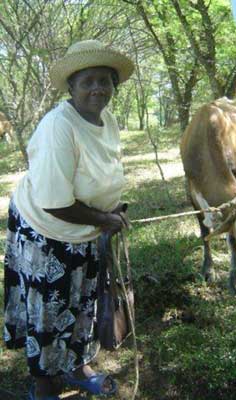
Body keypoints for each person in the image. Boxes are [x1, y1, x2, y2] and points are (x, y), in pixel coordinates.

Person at [3, 39, 134, 400]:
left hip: (87, 229)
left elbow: (102, 170)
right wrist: (104, 217)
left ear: (114, 86)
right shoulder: (57, 127)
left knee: (84, 300)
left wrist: (112, 209)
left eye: (104, 81)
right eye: (87, 81)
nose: (97, 89)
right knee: (49, 309)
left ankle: (78, 366)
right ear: (72, 87)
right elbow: (55, 204)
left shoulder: (107, 120)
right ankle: (45, 386)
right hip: (46, 231)